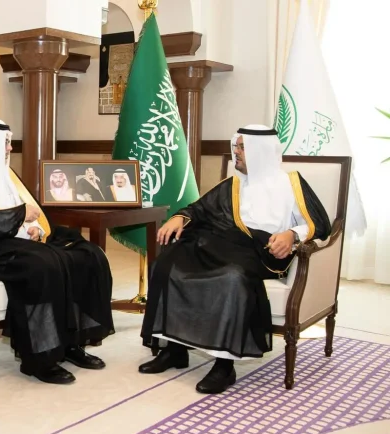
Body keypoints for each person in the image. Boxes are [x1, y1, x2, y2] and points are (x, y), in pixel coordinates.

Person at [138, 125, 331, 394]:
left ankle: (224, 365)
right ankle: (175, 349)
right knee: (167, 265)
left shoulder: (292, 184)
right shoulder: (234, 184)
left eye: (242, 147)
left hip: (260, 251)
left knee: (231, 277)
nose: (236, 152)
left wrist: (292, 234)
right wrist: (179, 217)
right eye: (236, 146)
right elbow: (199, 209)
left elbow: (321, 224)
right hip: (220, 242)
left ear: (260, 151)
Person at [0, 118, 115, 385]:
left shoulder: (6, 173)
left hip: (18, 241)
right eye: (5, 143)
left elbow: (26, 211)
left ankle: (71, 342)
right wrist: (19, 217)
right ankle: (40, 358)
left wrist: (34, 228)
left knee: (87, 254)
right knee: (43, 265)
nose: (10, 148)